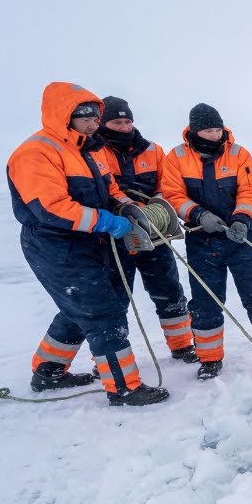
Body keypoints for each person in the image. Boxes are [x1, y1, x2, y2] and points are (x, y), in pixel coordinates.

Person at [7, 82, 168, 406]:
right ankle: (123, 388)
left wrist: (126, 207)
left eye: (96, 117)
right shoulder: (36, 152)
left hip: (91, 242)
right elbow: (51, 208)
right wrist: (109, 221)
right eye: (87, 117)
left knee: (76, 307)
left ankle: (48, 371)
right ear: (66, 116)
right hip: (55, 245)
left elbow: (110, 190)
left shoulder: (89, 151)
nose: (95, 123)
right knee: (101, 311)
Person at [159, 103, 252, 382]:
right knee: (206, 302)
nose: (214, 135)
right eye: (208, 130)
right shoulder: (177, 157)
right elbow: (173, 194)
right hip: (202, 241)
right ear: (195, 130)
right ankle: (209, 359)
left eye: (218, 129)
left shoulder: (239, 154)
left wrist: (242, 219)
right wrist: (198, 214)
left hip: (241, 239)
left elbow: (251, 190)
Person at [91, 96, 198, 363]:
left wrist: (156, 208)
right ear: (103, 123)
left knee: (169, 290)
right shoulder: (92, 152)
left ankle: (182, 345)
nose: (125, 127)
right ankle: (112, 359)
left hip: (154, 235)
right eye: (117, 122)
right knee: (113, 299)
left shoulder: (153, 150)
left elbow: (167, 187)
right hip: (113, 239)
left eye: (128, 121)